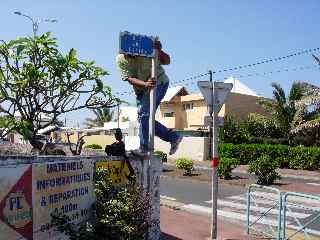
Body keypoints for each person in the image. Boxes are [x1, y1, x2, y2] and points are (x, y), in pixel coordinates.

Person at [116, 39, 182, 156]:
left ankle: (144, 148)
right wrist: (145, 84)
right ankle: (173, 137)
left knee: (145, 116)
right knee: (144, 118)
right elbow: (129, 78)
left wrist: (159, 50)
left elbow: (167, 61)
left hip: (159, 82)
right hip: (142, 89)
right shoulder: (120, 59)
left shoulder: (146, 49)